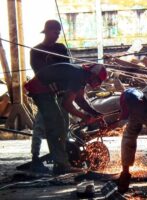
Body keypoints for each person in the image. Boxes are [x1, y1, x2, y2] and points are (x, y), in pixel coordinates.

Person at [24, 63, 108, 175]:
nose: (99, 84)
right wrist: (85, 117)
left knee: (60, 125)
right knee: (57, 126)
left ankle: (60, 163)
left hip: (46, 89)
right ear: (93, 74)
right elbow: (66, 104)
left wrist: (96, 113)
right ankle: (61, 166)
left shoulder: (82, 76)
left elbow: (80, 100)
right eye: (98, 80)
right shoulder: (79, 76)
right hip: (40, 89)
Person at [30, 19, 70, 172]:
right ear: (46, 31)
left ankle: (61, 160)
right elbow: (40, 73)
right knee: (40, 125)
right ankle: (35, 156)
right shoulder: (35, 51)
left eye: (59, 32)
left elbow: (66, 67)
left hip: (61, 92)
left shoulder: (61, 48)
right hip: (44, 94)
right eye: (55, 32)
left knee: (62, 127)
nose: (57, 35)